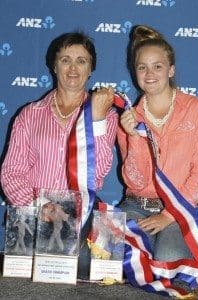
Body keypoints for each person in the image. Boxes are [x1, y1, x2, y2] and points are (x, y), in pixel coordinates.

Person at [1, 31, 118, 277]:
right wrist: (39, 206)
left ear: (91, 69)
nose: (73, 68)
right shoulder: (30, 115)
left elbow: (97, 176)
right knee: (28, 273)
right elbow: (11, 173)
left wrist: (96, 118)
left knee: (86, 267)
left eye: (81, 61)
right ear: (54, 65)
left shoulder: (105, 115)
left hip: (81, 210)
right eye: (65, 60)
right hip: (35, 209)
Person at [117, 25, 198, 262]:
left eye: (157, 66)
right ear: (135, 72)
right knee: (109, 256)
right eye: (142, 67)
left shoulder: (197, 109)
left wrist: (169, 213)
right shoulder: (128, 118)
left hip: (178, 210)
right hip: (135, 206)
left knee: (169, 258)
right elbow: (134, 180)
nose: (149, 74)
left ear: (171, 70)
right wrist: (132, 136)